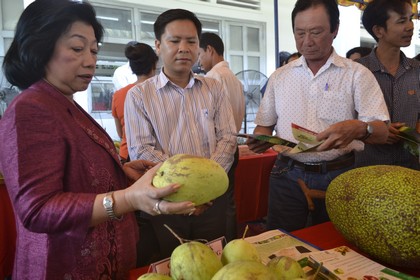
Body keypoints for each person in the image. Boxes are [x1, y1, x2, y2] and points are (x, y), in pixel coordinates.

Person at [0, 1, 195, 279]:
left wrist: (120, 174)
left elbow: (76, 175)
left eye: (93, 50)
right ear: (39, 46)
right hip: (63, 267)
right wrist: (128, 199)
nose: (91, 60)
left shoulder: (63, 103)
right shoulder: (30, 108)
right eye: (77, 48)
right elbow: (38, 209)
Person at [247, 0, 390, 232]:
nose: (307, 41)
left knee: (337, 246)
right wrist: (260, 139)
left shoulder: (356, 75)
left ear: (335, 29)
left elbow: (383, 132)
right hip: (287, 174)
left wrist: (361, 128)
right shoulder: (280, 77)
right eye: (300, 33)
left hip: (339, 175)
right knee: (281, 241)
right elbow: (264, 126)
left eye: (316, 32)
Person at [124, 9, 237, 260]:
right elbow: (141, 149)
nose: (184, 48)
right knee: (173, 263)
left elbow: (228, 138)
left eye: (191, 41)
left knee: (214, 260)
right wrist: (185, 190)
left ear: (199, 46)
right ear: (158, 45)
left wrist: (204, 188)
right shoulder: (139, 96)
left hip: (212, 202)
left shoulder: (214, 88)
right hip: (166, 202)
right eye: (174, 41)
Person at [355, 0, 420, 170]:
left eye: (410, 18)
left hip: (410, 169)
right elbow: (344, 119)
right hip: (366, 168)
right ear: (379, 31)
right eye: (401, 21)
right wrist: (371, 131)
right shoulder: (357, 71)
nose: (410, 26)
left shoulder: (417, 71)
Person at [198, 32, 245, 241]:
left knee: (215, 206)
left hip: (217, 151)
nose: (198, 60)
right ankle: (230, 242)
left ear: (209, 49)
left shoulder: (212, 79)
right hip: (232, 149)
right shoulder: (233, 78)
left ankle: (220, 245)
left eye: (199, 53)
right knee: (228, 202)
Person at [112, 42, 158, 163]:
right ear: (154, 64)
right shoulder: (162, 93)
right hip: (155, 158)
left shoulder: (119, 94)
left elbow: (120, 133)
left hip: (126, 156)